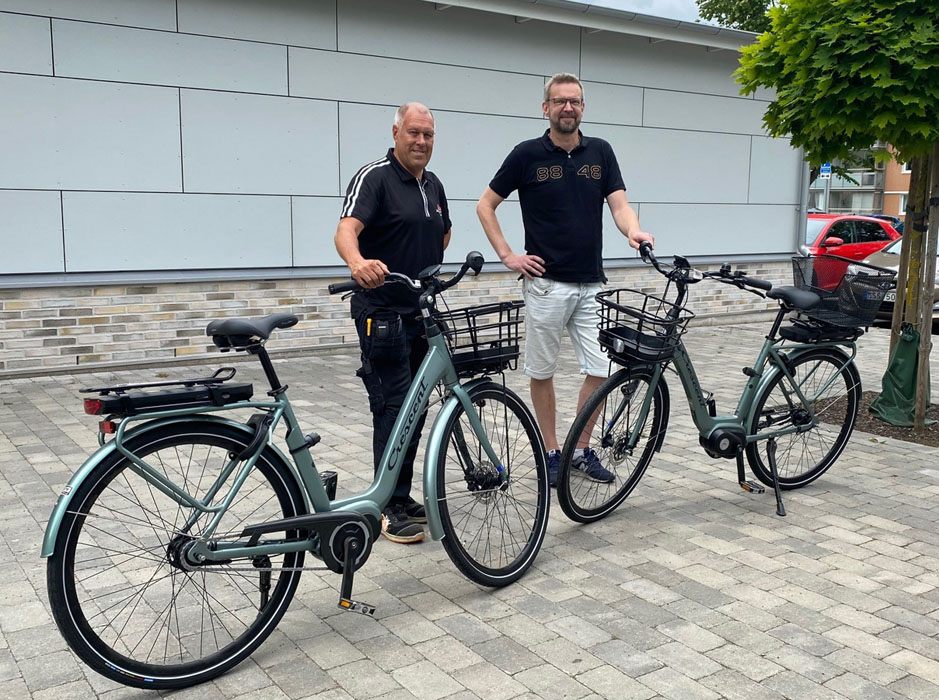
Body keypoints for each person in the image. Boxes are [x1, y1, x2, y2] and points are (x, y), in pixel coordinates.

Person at [476, 73, 654, 486]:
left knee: (600, 368)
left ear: (583, 108)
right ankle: (551, 450)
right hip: (546, 284)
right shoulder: (526, 156)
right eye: (559, 102)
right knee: (542, 371)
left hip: (591, 282)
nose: (567, 108)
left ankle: (580, 447)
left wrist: (634, 230)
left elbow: (620, 204)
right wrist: (507, 255)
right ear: (546, 108)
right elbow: (486, 205)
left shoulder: (601, 153)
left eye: (574, 102)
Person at [335, 102, 451, 543]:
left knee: (417, 405)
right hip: (381, 314)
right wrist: (358, 261)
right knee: (392, 405)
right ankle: (383, 505)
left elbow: (443, 232)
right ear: (396, 132)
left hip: (421, 310)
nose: (421, 142)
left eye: (428, 135)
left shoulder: (433, 183)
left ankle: (399, 496)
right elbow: (346, 229)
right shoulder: (376, 177)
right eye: (414, 133)